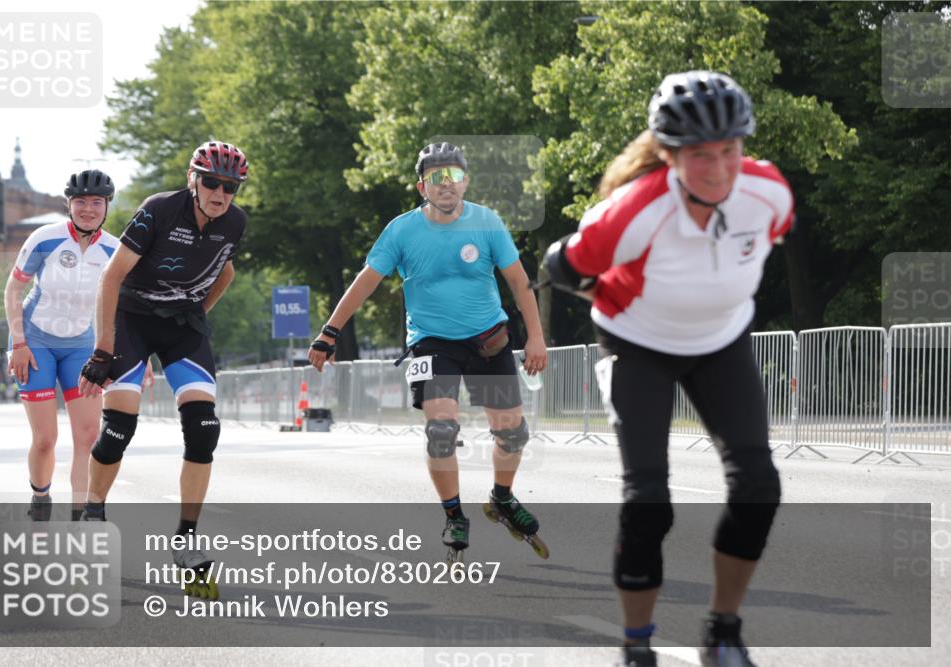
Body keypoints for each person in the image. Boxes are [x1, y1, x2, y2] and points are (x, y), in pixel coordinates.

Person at [544, 71, 792, 667]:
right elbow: (561, 267)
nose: (718, 169)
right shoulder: (632, 212)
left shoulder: (770, 195)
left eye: (729, 151)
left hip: (721, 342)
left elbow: (765, 240)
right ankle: (636, 647)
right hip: (637, 344)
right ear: (669, 156)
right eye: (700, 155)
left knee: (759, 487)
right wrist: (620, 301)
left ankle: (723, 631)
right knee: (649, 501)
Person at [308, 142, 549, 559]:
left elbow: (518, 280)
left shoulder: (487, 222)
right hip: (431, 342)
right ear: (423, 186)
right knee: (441, 431)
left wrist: (536, 337)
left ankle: (503, 499)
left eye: (454, 175)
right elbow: (366, 281)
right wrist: (329, 332)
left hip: (488, 338)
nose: (446, 185)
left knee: (513, 433)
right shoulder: (402, 230)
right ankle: (454, 514)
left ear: (465, 181)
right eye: (437, 178)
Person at [77, 141, 248, 599]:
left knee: (205, 427)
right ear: (194, 180)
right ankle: (94, 510)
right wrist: (101, 351)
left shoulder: (235, 222)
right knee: (118, 429)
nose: (220, 193)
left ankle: (186, 541)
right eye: (211, 182)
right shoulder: (159, 210)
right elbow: (111, 277)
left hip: (180, 325)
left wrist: (200, 311)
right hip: (131, 321)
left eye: (230, 186)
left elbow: (225, 272)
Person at [3, 170, 121, 521]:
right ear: (69, 205)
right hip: (35, 339)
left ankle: (80, 519)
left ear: (106, 207)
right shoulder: (45, 238)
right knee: (45, 439)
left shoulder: (115, 249)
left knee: (87, 436)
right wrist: (19, 342)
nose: (88, 209)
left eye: (96, 202)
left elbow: (122, 306)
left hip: (82, 345)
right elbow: (13, 289)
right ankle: (40, 497)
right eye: (81, 202)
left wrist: (125, 355)